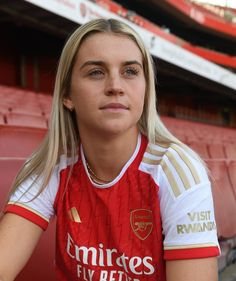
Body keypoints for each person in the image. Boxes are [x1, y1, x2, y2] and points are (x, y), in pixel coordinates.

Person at [0, 18, 220, 281]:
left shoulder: (178, 172)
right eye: (96, 72)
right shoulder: (50, 166)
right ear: (67, 95)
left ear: (146, 89)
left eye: (130, 72)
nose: (115, 86)